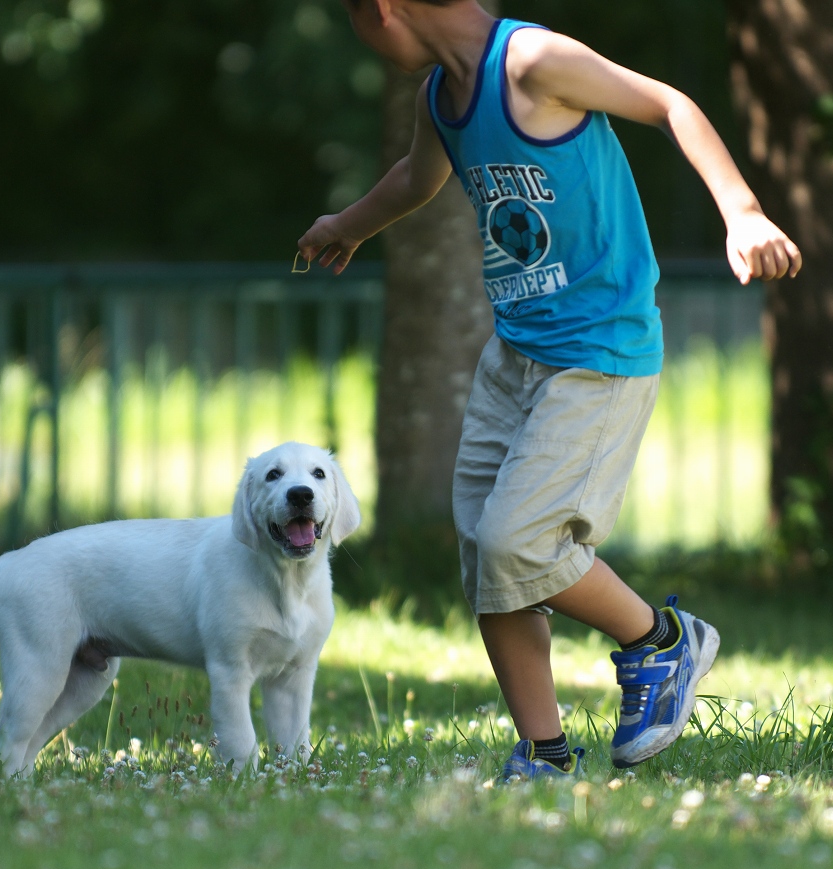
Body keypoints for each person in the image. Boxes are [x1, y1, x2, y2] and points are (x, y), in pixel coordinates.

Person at [297, 0, 801, 777]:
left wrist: (743, 212)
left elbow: (670, 103)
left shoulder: (532, 63)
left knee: (517, 540)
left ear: (384, 10)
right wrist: (352, 223)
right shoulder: (442, 97)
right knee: (486, 557)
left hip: (597, 352)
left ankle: (661, 641)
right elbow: (418, 178)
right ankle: (545, 751)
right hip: (516, 355)